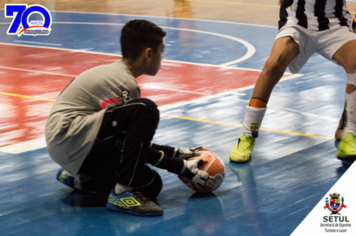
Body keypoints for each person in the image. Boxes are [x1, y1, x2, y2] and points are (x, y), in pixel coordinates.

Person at [45, 20, 208, 217]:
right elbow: (123, 141)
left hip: (71, 143)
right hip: (71, 139)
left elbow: (130, 140)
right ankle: (123, 192)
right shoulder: (124, 82)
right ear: (149, 53)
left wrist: (175, 152)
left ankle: (81, 178)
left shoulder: (117, 74)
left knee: (150, 183)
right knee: (146, 109)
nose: (162, 58)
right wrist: (180, 167)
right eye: (161, 52)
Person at [229, 0, 356, 164]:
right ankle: (248, 135)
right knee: (273, 64)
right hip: (298, 21)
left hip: (335, 22)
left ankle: (349, 132)